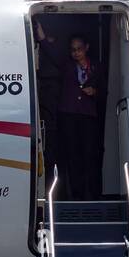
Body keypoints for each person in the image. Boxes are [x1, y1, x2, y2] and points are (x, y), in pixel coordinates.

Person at [35, 20, 103, 199]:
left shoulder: (96, 66)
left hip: (88, 116)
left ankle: (92, 195)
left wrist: (94, 91)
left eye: (79, 49)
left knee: (89, 155)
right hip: (69, 115)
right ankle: (76, 195)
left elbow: (104, 89)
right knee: (72, 156)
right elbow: (53, 54)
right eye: (73, 50)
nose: (76, 53)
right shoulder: (66, 65)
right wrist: (42, 38)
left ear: (86, 47)